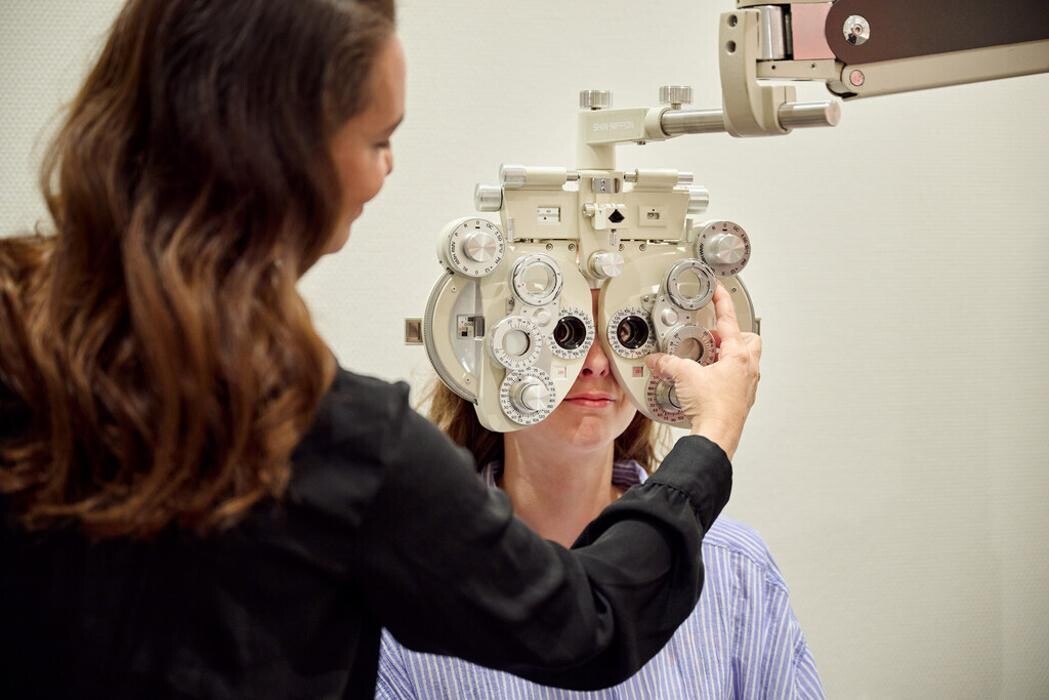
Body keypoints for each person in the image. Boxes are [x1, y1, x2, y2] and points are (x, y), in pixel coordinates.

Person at [0, 1, 761, 698]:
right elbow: (588, 624)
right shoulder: (337, 442)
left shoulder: (13, 325)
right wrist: (710, 441)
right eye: (377, 140)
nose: (385, 171)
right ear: (281, 151)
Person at [377, 291, 818, 699]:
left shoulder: (734, 566)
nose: (596, 362)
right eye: (562, 333)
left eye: (627, 333)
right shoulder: (415, 572)